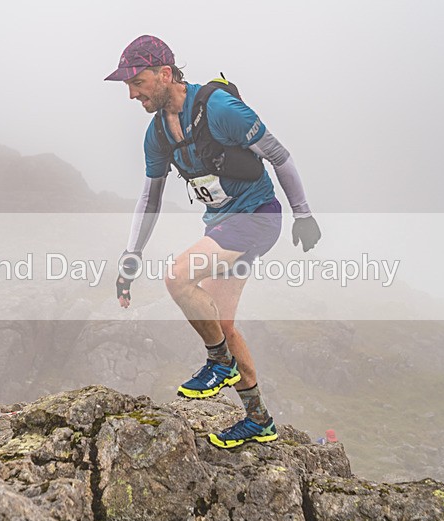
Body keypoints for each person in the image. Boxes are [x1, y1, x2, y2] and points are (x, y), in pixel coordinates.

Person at [105, 35, 321, 449]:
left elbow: (280, 156)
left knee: (178, 277)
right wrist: (132, 254)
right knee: (221, 324)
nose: (132, 94)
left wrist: (304, 214)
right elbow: (150, 197)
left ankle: (218, 362)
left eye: (138, 82)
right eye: (128, 86)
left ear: (165, 74)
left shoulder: (219, 109)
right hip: (222, 224)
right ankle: (259, 420)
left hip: (257, 217)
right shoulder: (157, 136)